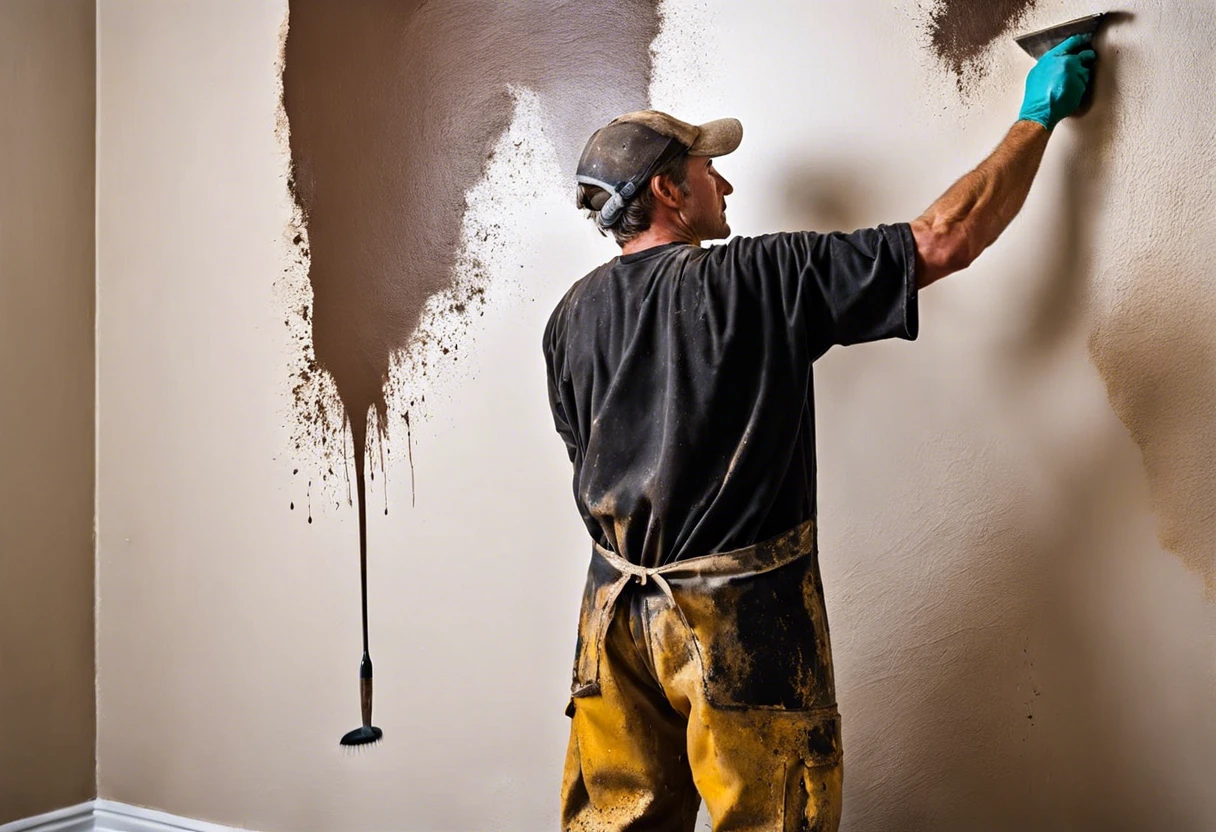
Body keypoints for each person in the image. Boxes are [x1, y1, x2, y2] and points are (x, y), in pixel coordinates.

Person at [542, 34, 1095, 832]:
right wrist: (1034, 119)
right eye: (706, 171)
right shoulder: (756, 278)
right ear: (667, 190)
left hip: (614, 628)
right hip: (740, 631)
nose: (723, 182)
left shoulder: (569, 320)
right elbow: (944, 239)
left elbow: (582, 456)